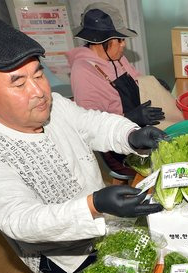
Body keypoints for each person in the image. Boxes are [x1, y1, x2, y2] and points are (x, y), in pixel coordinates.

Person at [0, 18, 167, 273]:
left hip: (105, 214)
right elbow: (20, 219)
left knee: (171, 239)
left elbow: (93, 123)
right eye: (19, 83)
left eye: (38, 74)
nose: (39, 92)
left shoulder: (54, 103)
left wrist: (131, 134)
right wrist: (93, 205)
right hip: (64, 253)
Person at [66, 2, 165, 177]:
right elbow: (89, 126)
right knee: (164, 160)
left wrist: (155, 84)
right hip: (116, 147)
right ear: (101, 42)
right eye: (118, 40)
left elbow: (138, 79)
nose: (123, 45)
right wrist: (130, 117)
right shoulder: (83, 71)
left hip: (137, 128)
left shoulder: (117, 58)